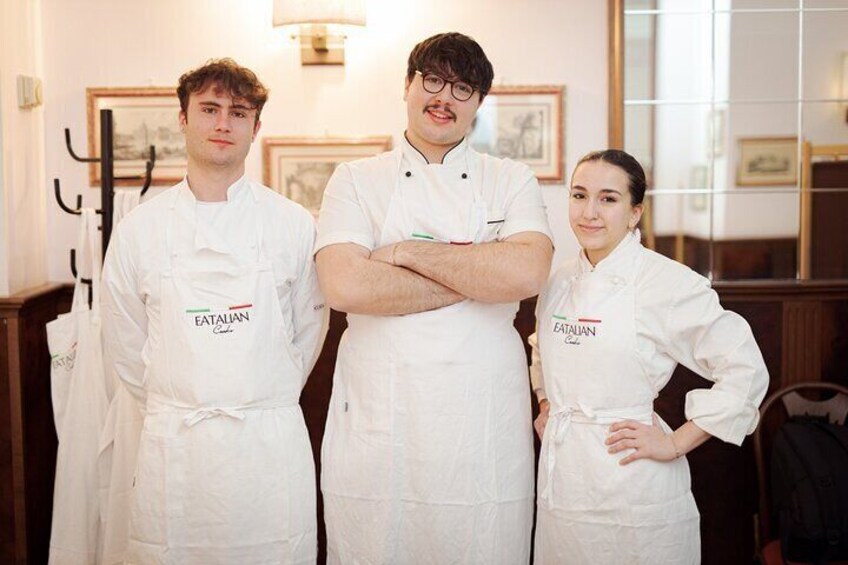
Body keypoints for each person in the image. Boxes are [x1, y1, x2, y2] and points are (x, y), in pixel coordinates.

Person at [314, 32, 553, 563]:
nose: (444, 97)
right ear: (408, 84)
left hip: (479, 415)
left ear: (479, 104)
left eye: (463, 88)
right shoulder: (355, 179)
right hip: (383, 409)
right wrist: (476, 273)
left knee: (483, 540)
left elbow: (527, 272)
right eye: (434, 80)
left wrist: (401, 252)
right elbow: (345, 285)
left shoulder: (510, 179)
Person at [101, 58, 325, 564]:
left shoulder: (292, 225)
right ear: (182, 119)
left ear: (256, 128)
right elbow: (124, 342)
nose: (223, 123)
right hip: (176, 450)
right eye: (209, 109)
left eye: (238, 112)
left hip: (267, 446)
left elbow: (309, 331)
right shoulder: (140, 230)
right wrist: (178, 398)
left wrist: (259, 395)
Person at [529, 149, 769, 564]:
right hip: (565, 479)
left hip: (633, 483)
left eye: (608, 198)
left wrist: (676, 443)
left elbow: (745, 369)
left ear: (635, 211)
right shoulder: (559, 278)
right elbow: (541, 349)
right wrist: (547, 401)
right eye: (579, 195)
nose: (589, 212)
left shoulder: (666, 283)